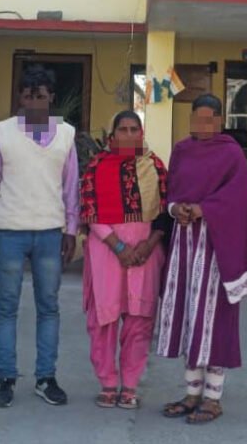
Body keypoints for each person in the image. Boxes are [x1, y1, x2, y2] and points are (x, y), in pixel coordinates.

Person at [0, 65, 78, 408]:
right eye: (28, 96)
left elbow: (71, 188)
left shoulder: (66, 134)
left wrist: (71, 229)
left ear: (51, 98)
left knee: (49, 307)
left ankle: (46, 378)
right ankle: (6, 378)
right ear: (20, 97)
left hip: (50, 232)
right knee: (6, 307)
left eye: (41, 96)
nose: (34, 102)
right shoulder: (3, 132)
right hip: (10, 232)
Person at [158, 94, 247, 424]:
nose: (202, 125)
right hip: (184, 246)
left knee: (213, 320)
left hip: (217, 248)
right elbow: (171, 191)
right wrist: (176, 209)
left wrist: (203, 209)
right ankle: (192, 393)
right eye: (197, 118)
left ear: (219, 121)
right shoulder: (181, 150)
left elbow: (240, 198)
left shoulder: (231, 153)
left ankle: (213, 398)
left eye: (209, 119)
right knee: (188, 318)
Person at [80, 111, 169, 409]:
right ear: (113, 135)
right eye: (123, 130)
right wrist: (118, 247)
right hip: (106, 251)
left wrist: (149, 244)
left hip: (146, 253)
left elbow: (165, 212)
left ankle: (130, 385)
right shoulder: (96, 166)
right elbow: (89, 211)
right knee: (103, 320)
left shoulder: (155, 166)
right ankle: (107, 382)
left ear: (141, 134)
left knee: (139, 321)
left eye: (135, 130)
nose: (129, 135)